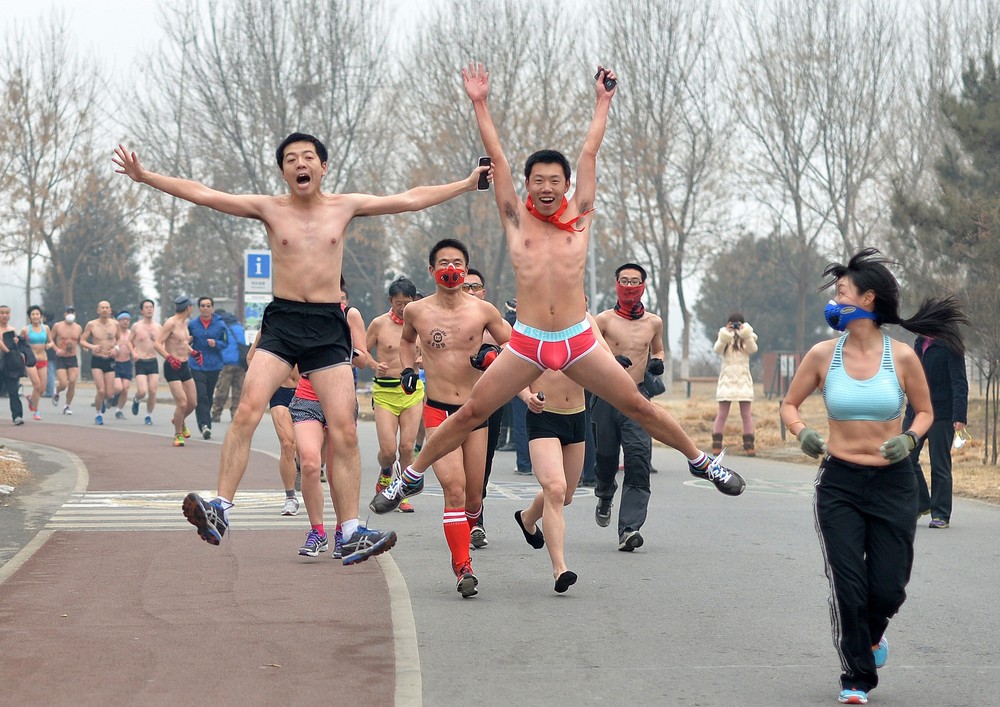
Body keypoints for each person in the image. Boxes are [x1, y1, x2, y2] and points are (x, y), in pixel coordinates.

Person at [371, 64, 744, 528]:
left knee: (637, 404)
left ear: (567, 187)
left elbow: (589, 152)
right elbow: (499, 158)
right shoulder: (515, 221)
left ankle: (703, 461)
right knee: (472, 411)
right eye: (538, 181)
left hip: (577, 339)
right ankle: (409, 476)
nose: (546, 188)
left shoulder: (581, 218)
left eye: (555, 181)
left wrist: (603, 102)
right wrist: (480, 103)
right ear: (527, 186)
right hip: (527, 341)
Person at [114, 132, 484, 561]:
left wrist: (466, 183)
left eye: (308, 157)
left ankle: (348, 530)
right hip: (284, 321)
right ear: (284, 171)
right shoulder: (270, 208)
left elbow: (409, 198)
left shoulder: (343, 206)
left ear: (323, 167)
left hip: (328, 325)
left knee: (344, 427)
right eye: (291, 159)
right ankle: (220, 506)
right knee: (249, 407)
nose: (300, 163)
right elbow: (204, 195)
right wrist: (145, 177)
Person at [779, 248, 967, 705]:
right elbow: (788, 405)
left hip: (894, 482)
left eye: (841, 291)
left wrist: (910, 440)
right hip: (839, 483)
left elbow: (925, 412)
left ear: (867, 298)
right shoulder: (824, 355)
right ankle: (856, 677)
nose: (834, 299)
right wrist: (801, 432)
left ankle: (872, 636)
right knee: (848, 584)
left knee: (888, 587)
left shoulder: (901, 357)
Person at [383, 238, 510, 597]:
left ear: (466, 269)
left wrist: (492, 351)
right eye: (443, 263)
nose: (450, 269)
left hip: (476, 412)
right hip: (438, 411)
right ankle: (463, 568)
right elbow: (407, 342)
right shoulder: (417, 311)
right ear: (431, 270)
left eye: (457, 263)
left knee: (472, 498)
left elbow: (515, 345)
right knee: (452, 491)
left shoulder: (483, 311)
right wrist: (408, 369)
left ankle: (467, 530)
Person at [514, 312, 608, 593]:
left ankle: (528, 518)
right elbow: (513, 367)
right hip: (543, 416)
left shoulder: (585, 321)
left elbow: (603, 356)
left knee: (565, 495)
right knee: (555, 489)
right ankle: (560, 569)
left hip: (577, 416)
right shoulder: (532, 320)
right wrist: (527, 396)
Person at [591, 263, 666, 552]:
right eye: (625, 281)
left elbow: (657, 348)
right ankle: (605, 493)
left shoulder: (653, 322)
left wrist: (658, 361)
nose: (630, 286)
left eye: (635, 281)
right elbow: (590, 347)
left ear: (644, 285)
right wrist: (610, 359)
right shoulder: (604, 320)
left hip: (637, 397)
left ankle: (630, 528)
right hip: (606, 396)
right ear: (616, 284)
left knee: (638, 460)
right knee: (607, 458)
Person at [294, 296, 370, 561]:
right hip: (306, 398)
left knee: (338, 470)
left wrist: (336, 349)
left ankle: (342, 531)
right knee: (310, 464)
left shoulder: (350, 314)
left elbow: (363, 358)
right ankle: (317, 532)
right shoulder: (301, 313)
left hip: (340, 399)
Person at [463, 267, 513, 548]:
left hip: (490, 402)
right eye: (465, 287)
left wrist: (494, 354)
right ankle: (458, 516)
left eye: (476, 287)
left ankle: (476, 521)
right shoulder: (446, 319)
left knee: (482, 464)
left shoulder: (495, 321)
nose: (471, 292)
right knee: (455, 466)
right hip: (454, 402)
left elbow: (515, 349)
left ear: (484, 292)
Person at [366, 277, 423, 513]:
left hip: (411, 391)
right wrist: (373, 364)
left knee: (407, 448)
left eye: (407, 303)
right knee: (388, 451)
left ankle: (401, 492)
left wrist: (423, 360)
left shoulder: (421, 323)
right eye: (399, 302)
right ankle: (386, 472)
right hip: (384, 392)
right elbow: (361, 351)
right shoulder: (379, 324)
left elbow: (436, 352)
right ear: (391, 301)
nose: (402, 307)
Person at [903, 333, 968, 529]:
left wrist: (959, 416)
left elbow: (959, 382)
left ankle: (941, 514)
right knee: (905, 457)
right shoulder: (918, 343)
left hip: (941, 414)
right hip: (915, 412)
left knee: (939, 464)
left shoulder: (950, 345)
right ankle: (922, 502)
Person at [711, 312, 758, 456]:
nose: (735, 325)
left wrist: (745, 333)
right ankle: (716, 444)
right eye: (733, 323)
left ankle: (749, 445)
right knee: (722, 414)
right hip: (727, 380)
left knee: (746, 414)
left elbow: (753, 349)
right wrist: (727, 334)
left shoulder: (748, 338)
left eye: (738, 323)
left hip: (743, 379)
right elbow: (717, 349)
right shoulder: (724, 338)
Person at [155, 296, 198, 447]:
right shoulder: (170, 323)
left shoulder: (185, 323)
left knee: (192, 403)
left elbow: (183, 343)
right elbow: (158, 344)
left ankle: (179, 420)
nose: (193, 308)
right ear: (188, 308)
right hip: (172, 366)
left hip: (185, 365)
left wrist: (193, 353)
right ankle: (177, 434)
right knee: (182, 403)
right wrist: (169, 358)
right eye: (192, 306)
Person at [187, 297, 228, 440]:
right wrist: (188, 341)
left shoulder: (220, 324)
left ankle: (205, 421)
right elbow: (186, 340)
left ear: (212, 308)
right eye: (203, 306)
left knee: (208, 396)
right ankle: (205, 425)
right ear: (199, 308)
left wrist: (216, 343)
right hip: (197, 364)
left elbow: (225, 342)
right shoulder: (192, 324)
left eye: (208, 306)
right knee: (201, 396)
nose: (205, 308)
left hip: (214, 365)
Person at [79, 300, 121, 426]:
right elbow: (82, 340)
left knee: (109, 393)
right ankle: (98, 415)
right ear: (98, 310)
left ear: (110, 310)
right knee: (101, 390)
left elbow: (119, 339)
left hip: (110, 360)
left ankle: (103, 401)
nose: (104, 309)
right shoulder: (92, 324)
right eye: (102, 307)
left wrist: (116, 349)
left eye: (107, 307)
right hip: (97, 359)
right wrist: (92, 347)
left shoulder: (115, 324)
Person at [129, 299, 162, 425]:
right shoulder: (137, 326)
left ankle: (148, 416)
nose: (149, 309)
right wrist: (133, 352)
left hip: (152, 361)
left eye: (151, 307)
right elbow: (128, 341)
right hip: (140, 362)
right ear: (142, 310)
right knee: (142, 391)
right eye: (146, 307)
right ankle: (137, 400)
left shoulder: (158, 327)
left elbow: (162, 342)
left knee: (153, 390)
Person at [211, 309, 247, 424]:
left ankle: (216, 414)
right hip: (241, 364)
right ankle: (235, 416)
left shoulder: (220, 327)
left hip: (226, 364)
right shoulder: (239, 326)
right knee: (238, 392)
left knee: (222, 391)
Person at [20, 305, 51, 421]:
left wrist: (49, 345)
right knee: (37, 385)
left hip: (43, 359)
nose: (35, 316)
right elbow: (20, 344)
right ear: (30, 317)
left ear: (41, 316)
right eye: (33, 314)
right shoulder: (26, 329)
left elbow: (51, 341)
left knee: (42, 388)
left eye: (37, 314)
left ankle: (31, 399)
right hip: (30, 360)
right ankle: (36, 411)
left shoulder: (46, 328)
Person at [50, 306, 83, 415]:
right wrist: (56, 349)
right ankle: (57, 391)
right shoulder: (57, 326)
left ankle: (67, 406)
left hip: (72, 357)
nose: (70, 314)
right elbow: (50, 339)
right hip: (61, 357)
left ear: (75, 314)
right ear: (64, 314)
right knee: (63, 383)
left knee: (72, 382)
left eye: (72, 312)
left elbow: (80, 341)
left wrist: (85, 347)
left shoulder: (78, 327)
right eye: (68, 312)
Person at [0, 305, 26, 425]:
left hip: (9, 363)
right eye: (2, 313)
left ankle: (17, 416)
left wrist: (16, 341)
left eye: (7, 313)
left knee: (13, 390)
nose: (4, 315)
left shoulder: (12, 330)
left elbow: (15, 348)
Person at [111, 311, 134, 420]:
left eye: (127, 319)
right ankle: (109, 397)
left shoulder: (131, 334)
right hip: (115, 363)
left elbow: (135, 346)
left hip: (127, 363)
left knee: (125, 389)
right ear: (118, 321)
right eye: (122, 319)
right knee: (118, 388)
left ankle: (119, 410)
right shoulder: (115, 333)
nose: (125, 321)